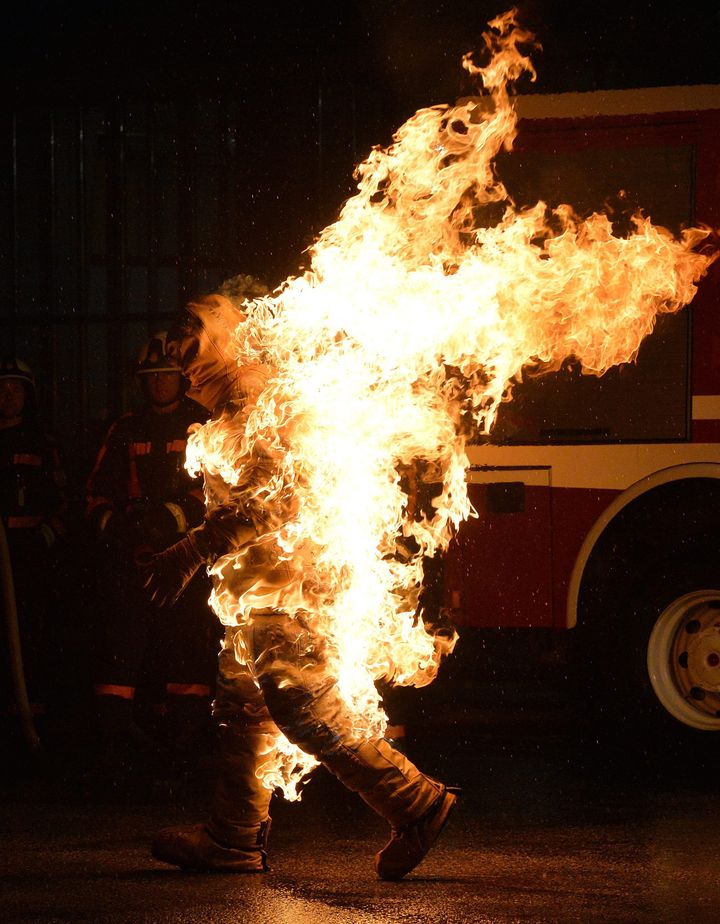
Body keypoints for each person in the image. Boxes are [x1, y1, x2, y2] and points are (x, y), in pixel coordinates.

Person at [144, 292, 458, 881]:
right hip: (262, 586)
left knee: (299, 702)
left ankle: (415, 802)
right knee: (245, 704)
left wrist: (191, 550)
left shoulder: (260, 399)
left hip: (294, 584)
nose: (176, 336)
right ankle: (234, 838)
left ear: (231, 334)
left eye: (193, 322)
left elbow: (277, 499)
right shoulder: (235, 406)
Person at [85, 332, 216, 777]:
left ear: (182, 379)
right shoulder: (125, 429)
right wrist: (118, 526)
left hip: (188, 560)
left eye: (166, 376)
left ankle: (185, 750)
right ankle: (115, 752)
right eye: (151, 378)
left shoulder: (205, 424)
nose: (159, 384)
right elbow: (98, 491)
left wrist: (175, 517)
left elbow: (218, 487)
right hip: (133, 560)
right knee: (121, 650)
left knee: (187, 649)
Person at [0, 357, 68, 731]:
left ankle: (33, 717)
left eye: (15, 391)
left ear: (28, 396)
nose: (7, 398)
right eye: (1, 390)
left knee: (32, 633)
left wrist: (45, 536)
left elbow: (62, 500)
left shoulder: (41, 443)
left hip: (29, 557)